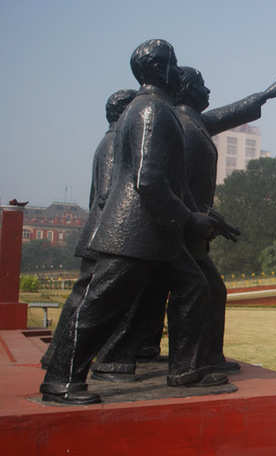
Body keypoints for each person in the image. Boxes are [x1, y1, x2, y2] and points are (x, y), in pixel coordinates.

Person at [40, 39, 226, 405]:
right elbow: (150, 180)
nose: (178, 70)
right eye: (173, 63)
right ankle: (62, 379)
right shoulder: (150, 111)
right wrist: (189, 220)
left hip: (155, 230)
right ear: (158, 69)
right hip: (136, 229)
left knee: (193, 286)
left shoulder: (153, 109)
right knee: (98, 303)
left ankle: (186, 371)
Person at [91, 66, 276, 379]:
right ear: (186, 90)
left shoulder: (191, 122)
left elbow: (225, 116)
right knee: (183, 289)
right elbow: (170, 181)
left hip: (185, 221)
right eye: (202, 85)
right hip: (176, 223)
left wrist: (262, 96)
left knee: (179, 290)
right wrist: (194, 217)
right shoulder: (180, 125)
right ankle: (182, 364)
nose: (209, 91)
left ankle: (192, 359)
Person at [40, 89, 137, 370]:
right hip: (104, 234)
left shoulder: (110, 142)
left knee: (85, 299)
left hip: (99, 233)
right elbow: (107, 194)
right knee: (90, 301)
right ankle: (62, 361)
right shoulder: (112, 144)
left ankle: (57, 356)